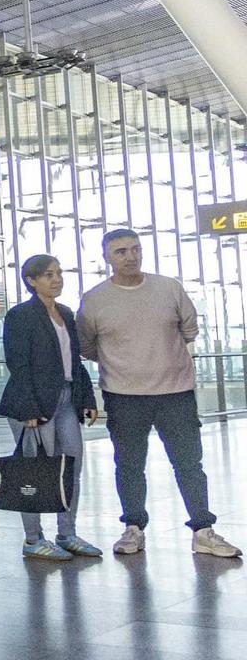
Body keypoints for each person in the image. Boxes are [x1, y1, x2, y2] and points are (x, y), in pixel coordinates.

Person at [77, 230, 238, 557]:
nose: (130, 256)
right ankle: (133, 528)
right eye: (121, 251)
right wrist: (126, 364)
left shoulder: (169, 288)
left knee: (189, 463)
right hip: (123, 397)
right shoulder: (94, 300)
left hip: (175, 393)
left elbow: (189, 330)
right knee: (129, 464)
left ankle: (203, 530)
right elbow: (87, 347)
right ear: (107, 257)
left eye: (135, 249)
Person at [0, 255, 100, 562]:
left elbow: (74, 360)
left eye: (59, 273)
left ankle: (67, 533)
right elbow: (19, 363)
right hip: (33, 403)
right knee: (34, 469)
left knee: (72, 467)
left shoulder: (66, 314)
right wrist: (29, 407)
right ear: (31, 281)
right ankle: (32, 538)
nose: (56, 279)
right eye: (48, 275)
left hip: (67, 398)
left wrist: (88, 398)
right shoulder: (21, 315)